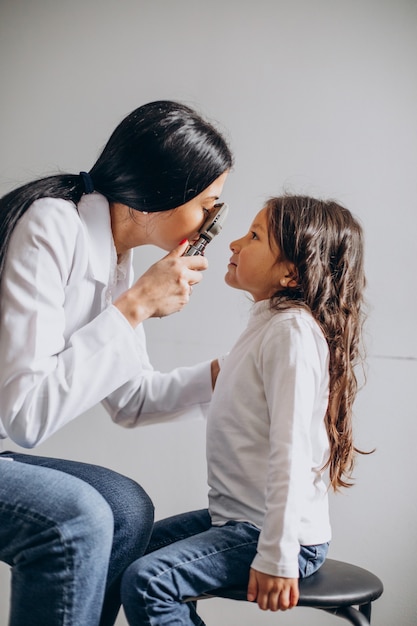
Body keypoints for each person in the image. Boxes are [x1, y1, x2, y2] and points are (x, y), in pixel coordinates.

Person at [0, 100, 233, 626]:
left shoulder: (117, 259)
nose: (211, 223)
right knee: (77, 517)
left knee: (126, 508)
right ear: (163, 191)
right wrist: (135, 309)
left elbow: (130, 401)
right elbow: (25, 416)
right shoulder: (51, 227)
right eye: (209, 205)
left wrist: (226, 373)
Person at [120, 194, 367, 625]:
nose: (233, 243)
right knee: (124, 554)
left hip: (272, 535)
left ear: (291, 271)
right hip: (239, 522)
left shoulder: (289, 332)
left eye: (254, 236)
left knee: (149, 581)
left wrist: (278, 554)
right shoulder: (269, 327)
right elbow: (147, 399)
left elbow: (292, 453)